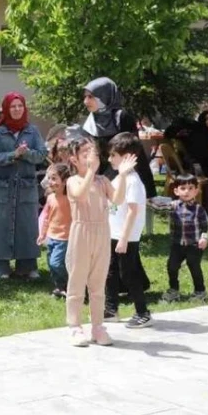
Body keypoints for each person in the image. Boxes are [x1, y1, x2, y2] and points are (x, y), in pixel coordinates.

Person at [65, 138, 138, 347]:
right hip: (81, 231)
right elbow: (79, 196)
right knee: (77, 281)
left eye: (93, 151)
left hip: (101, 231)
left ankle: (97, 326)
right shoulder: (73, 181)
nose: (91, 155)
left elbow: (118, 199)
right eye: (85, 153)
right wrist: (89, 172)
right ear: (74, 159)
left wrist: (122, 176)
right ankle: (75, 327)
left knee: (98, 283)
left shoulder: (103, 181)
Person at [0, 93, 48, 279]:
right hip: (3, 187)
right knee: (0, 225)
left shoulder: (32, 131)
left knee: (27, 226)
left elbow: (42, 154)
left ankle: (27, 267)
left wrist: (26, 153)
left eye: (20, 105)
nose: (17, 109)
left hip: (26, 186)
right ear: (6, 109)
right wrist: (13, 154)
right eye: (13, 106)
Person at [103, 132, 153, 328]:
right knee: (111, 272)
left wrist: (124, 238)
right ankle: (111, 309)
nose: (109, 159)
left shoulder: (134, 181)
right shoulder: (119, 178)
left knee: (129, 274)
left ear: (127, 157)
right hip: (113, 233)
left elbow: (133, 212)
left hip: (126, 237)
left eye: (113, 155)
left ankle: (143, 312)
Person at [81, 77, 156, 198]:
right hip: (100, 178)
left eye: (90, 97)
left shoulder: (121, 117)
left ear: (104, 96)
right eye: (85, 97)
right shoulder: (91, 121)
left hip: (124, 175)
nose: (85, 101)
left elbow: (133, 149)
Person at [163, 174, 208, 303]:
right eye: (183, 188)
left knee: (194, 266)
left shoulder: (198, 209)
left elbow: (205, 226)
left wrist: (204, 238)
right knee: (172, 266)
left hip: (194, 245)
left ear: (196, 191)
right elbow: (159, 206)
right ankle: (173, 290)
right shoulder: (172, 206)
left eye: (190, 188)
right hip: (177, 244)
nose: (187, 192)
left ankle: (200, 291)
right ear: (176, 191)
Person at [37, 163, 72, 299]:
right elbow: (46, 217)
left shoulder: (70, 198)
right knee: (51, 264)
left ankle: (68, 285)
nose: (50, 182)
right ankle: (59, 287)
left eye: (54, 178)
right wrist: (42, 234)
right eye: (49, 178)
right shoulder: (51, 198)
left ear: (64, 181)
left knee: (56, 263)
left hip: (65, 237)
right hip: (52, 236)